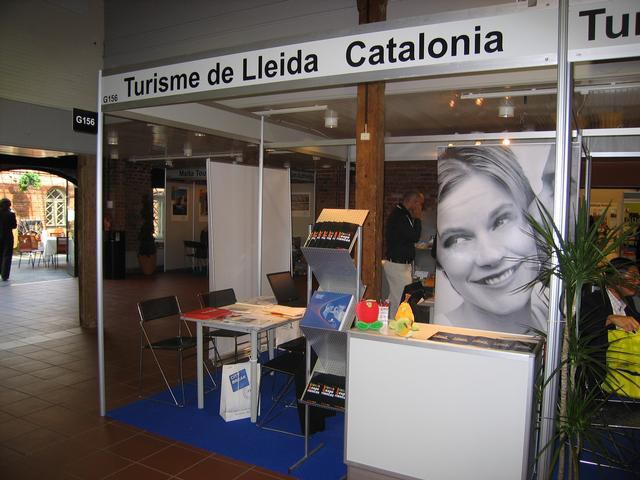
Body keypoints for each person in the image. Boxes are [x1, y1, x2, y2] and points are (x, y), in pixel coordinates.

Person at [435, 146, 545, 334]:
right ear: (440, 262)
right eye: (458, 239)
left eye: (501, 221)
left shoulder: (552, 321)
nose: (490, 256)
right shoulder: (439, 337)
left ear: (532, 220)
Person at [580, 257, 640, 390]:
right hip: (600, 378)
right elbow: (584, 328)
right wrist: (609, 319)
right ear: (616, 278)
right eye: (633, 277)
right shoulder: (593, 300)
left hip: (625, 377)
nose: (637, 281)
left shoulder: (628, 302)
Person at [383, 190, 424, 318]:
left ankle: (388, 322)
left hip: (399, 264)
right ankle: (396, 324)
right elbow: (414, 236)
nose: (420, 207)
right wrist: (418, 218)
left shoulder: (403, 214)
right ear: (413, 201)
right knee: (402, 299)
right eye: (419, 204)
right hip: (397, 265)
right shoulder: (400, 216)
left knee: (395, 298)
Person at [0, 198, 18, 281]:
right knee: (7, 256)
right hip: (8, 237)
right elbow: (14, 226)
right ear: (9, 205)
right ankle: (5, 275)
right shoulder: (11, 214)